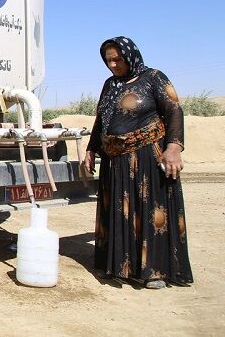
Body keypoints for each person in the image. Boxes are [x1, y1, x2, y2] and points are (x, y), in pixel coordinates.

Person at [83, 36, 193, 289]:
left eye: (117, 59)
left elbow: (174, 110)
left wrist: (174, 147)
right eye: (108, 60)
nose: (112, 65)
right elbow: (102, 119)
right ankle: (120, 266)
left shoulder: (154, 77)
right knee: (119, 213)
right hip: (115, 162)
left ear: (130, 55)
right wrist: (92, 148)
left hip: (146, 158)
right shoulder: (110, 84)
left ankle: (154, 271)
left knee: (149, 211)